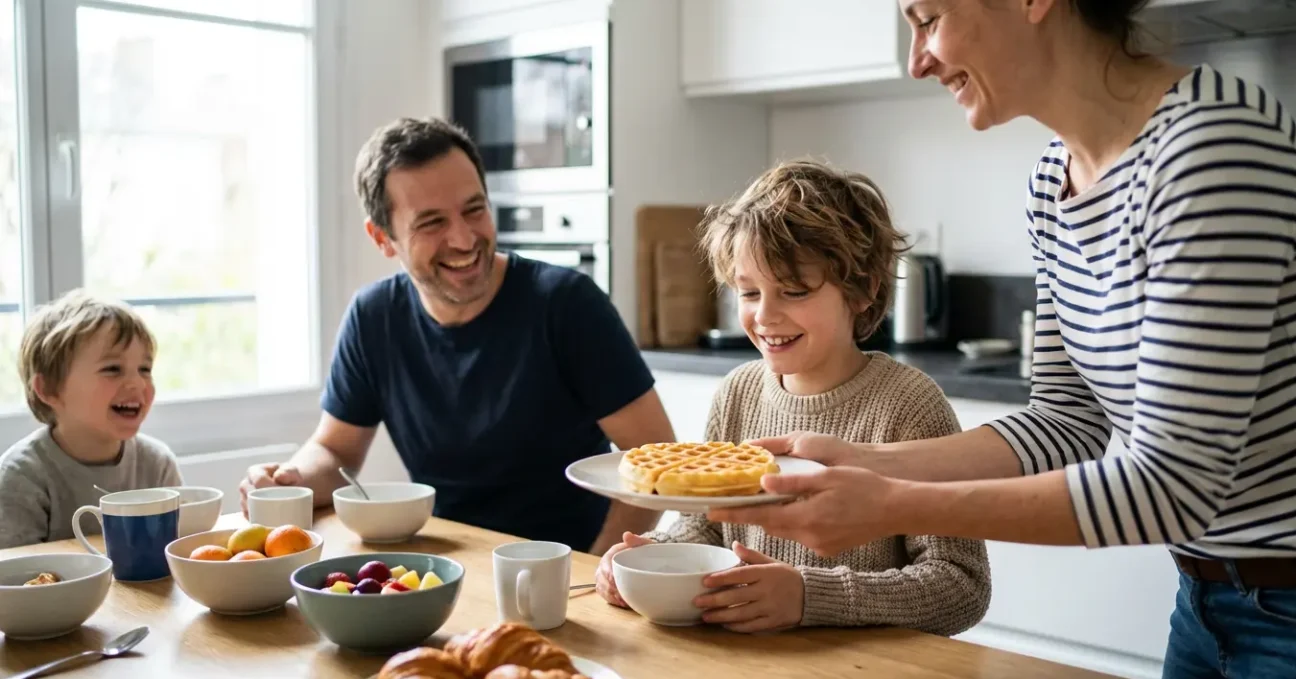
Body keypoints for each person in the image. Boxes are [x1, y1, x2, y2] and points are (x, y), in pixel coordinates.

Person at [710, 1, 1296, 676]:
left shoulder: (1214, 151)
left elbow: (1171, 486)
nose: (918, 60)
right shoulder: (1052, 183)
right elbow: (1066, 422)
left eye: (929, 17)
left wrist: (893, 504)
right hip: (1205, 597)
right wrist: (865, 462)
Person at [238, 117, 673, 554]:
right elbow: (334, 452)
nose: (464, 240)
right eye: (431, 223)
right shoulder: (374, 317)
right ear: (383, 238)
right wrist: (291, 479)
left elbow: (657, 457)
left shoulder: (567, 304)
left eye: (474, 209)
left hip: (562, 566)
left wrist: (594, 566)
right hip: (442, 566)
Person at [595, 160, 991, 635]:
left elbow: (960, 585)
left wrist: (810, 597)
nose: (764, 315)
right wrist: (655, 557)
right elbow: (708, 526)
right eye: (748, 292)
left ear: (862, 289)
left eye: (794, 291)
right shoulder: (738, 393)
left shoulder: (910, 407)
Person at [0, 290, 182, 550]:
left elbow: (178, 554)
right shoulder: (22, 476)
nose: (137, 383)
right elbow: (14, 576)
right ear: (49, 389)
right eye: (112, 369)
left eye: (145, 369)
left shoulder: (157, 464)